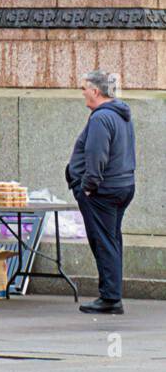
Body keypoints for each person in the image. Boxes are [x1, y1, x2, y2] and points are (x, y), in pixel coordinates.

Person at [67, 71, 136, 315]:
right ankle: (111, 294)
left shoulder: (100, 118)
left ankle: (110, 298)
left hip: (102, 191)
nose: (82, 92)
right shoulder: (120, 114)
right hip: (122, 186)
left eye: (84, 88)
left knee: (104, 242)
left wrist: (87, 187)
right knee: (112, 240)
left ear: (96, 91)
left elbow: (96, 156)